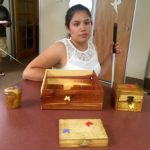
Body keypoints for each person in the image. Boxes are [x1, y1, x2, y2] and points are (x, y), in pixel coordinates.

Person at [22, 4, 120, 81]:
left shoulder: (92, 46)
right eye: (76, 24)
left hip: (88, 101)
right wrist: (64, 77)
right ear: (68, 28)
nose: (83, 28)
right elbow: (28, 72)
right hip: (66, 101)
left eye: (86, 23)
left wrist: (110, 55)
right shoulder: (60, 48)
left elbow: (96, 74)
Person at [0, 0, 11, 76]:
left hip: (2, 35)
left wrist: (6, 24)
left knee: (2, 54)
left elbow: (10, 23)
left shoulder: (4, 9)